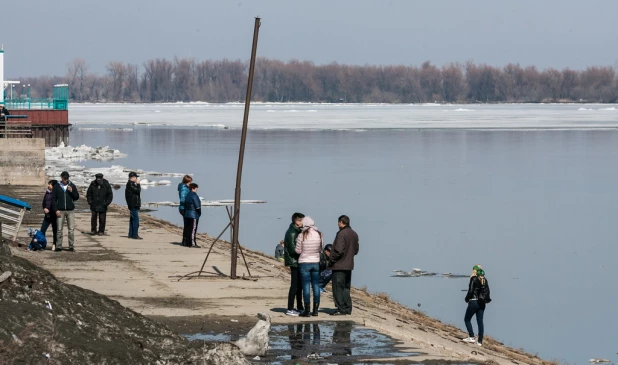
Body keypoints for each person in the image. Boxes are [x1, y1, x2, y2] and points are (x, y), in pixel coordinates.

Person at [329, 215, 359, 316]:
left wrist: (332, 259)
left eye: (338, 222)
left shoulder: (342, 234)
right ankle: (347, 307)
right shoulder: (354, 234)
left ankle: (341, 308)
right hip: (349, 265)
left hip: (339, 265)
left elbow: (339, 250)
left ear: (341, 222)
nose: (338, 224)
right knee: (346, 288)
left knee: (338, 287)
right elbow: (356, 250)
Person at [295, 216, 323, 317]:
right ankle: (315, 310)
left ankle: (307, 310)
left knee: (306, 285)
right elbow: (320, 249)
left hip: (304, 262)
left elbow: (298, 250)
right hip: (315, 262)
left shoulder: (301, 235)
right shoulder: (319, 234)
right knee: (316, 285)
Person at [462, 265, 491, 346]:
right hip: (482, 303)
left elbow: (470, 291)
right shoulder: (484, 280)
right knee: (480, 322)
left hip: (474, 302)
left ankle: (471, 337)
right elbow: (488, 292)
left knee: (467, 319)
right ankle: (480, 341)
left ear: (474, 271)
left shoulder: (473, 278)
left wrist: (466, 299)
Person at [51, 171, 79, 252]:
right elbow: (53, 200)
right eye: (64, 179)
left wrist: (72, 191)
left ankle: (71, 246)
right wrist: (56, 210)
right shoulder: (57, 186)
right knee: (59, 229)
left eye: (67, 178)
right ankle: (59, 246)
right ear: (61, 178)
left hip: (70, 210)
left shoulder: (72, 185)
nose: (66, 180)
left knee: (71, 229)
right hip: (60, 210)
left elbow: (76, 197)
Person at [284, 212, 305, 317]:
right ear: (297, 221)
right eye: (302, 220)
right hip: (294, 262)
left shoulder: (297, 231)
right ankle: (290, 308)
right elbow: (293, 251)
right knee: (294, 286)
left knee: (299, 286)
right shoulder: (292, 233)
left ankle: (299, 307)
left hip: (298, 262)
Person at [40, 179, 58, 248]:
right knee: (42, 230)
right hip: (47, 215)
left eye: (50, 184)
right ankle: (43, 244)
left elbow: (55, 205)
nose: (49, 185)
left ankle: (54, 244)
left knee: (55, 231)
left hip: (53, 215)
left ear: (53, 186)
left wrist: (50, 210)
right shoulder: (47, 192)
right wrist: (44, 208)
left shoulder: (56, 194)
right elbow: (44, 202)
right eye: (49, 184)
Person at [183, 183, 201, 248]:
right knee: (193, 229)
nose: (197, 190)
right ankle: (192, 243)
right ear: (193, 188)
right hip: (193, 214)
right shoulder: (194, 196)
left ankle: (187, 242)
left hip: (187, 214)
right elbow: (197, 206)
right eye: (196, 188)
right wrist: (199, 213)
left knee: (188, 229)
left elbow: (185, 204)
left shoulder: (187, 195)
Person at [125, 172, 142, 239]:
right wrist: (138, 185)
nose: (136, 178)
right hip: (133, 204)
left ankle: (131, 234)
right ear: (132, 178)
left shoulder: (130, 184)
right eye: (135, 177)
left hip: (134, 204)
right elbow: (138, 191)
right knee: (136, 220)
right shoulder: (130, 184)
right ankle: (134, 234)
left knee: (132, 219)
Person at [177, 175, 193, 245]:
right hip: (184, 208)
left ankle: (185, 240)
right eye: (189, 182)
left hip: (184, 208)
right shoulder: (184, 188)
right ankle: (185, 241)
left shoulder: (185, 187)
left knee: (187, 225)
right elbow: (182, 199)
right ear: (187, 182)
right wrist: (190, 201)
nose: (190, 183)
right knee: (187, 225)